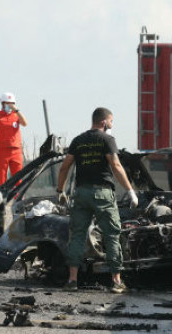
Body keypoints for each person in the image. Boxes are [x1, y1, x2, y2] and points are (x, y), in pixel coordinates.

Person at [55, 107, 138, 294]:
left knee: (76, 235)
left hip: (81, 193)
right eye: (111, 121)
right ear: (104, 122)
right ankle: (116, 282)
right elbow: (115, 165)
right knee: (111, 235)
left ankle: (72, 280)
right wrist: (131, 191)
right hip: (103, 194)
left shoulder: (78, 140)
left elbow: (65, 167)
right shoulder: (107, 139)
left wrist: (60, 190)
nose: (112, 125)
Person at [0, 92, 29, 185]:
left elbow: (25, 123)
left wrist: (16, 110)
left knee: (18, 175)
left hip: (16, 150)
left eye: (12, 103)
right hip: (2, 150)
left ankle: (18, 196)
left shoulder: (16, 116)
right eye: (7, 103)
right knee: (1, 175)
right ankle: (2, 196)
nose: (10, 106)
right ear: (2, 104)